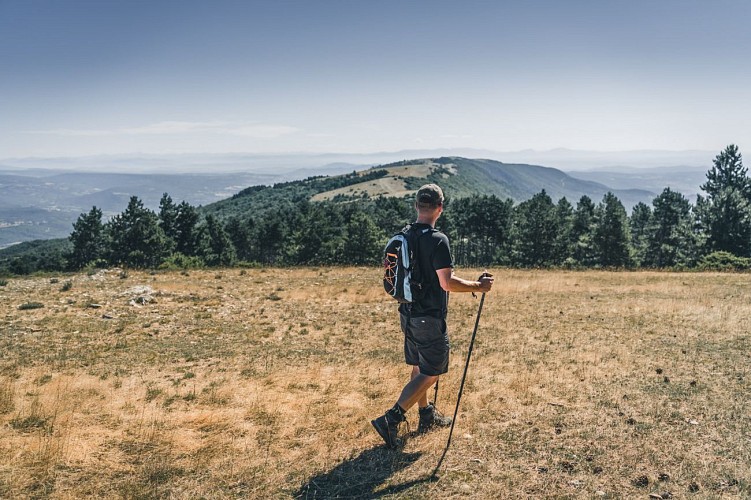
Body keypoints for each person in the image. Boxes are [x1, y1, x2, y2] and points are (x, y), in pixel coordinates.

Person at [371, 183, 494, 449]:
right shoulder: (438, 240)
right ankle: (391, 418)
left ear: (417, 206)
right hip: (428, 316)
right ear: (440, 208)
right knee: (432, 371)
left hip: (408, 312)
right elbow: (446, 283)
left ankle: (426, 414)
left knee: (419, 367)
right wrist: (478, 286)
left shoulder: (404, 236)